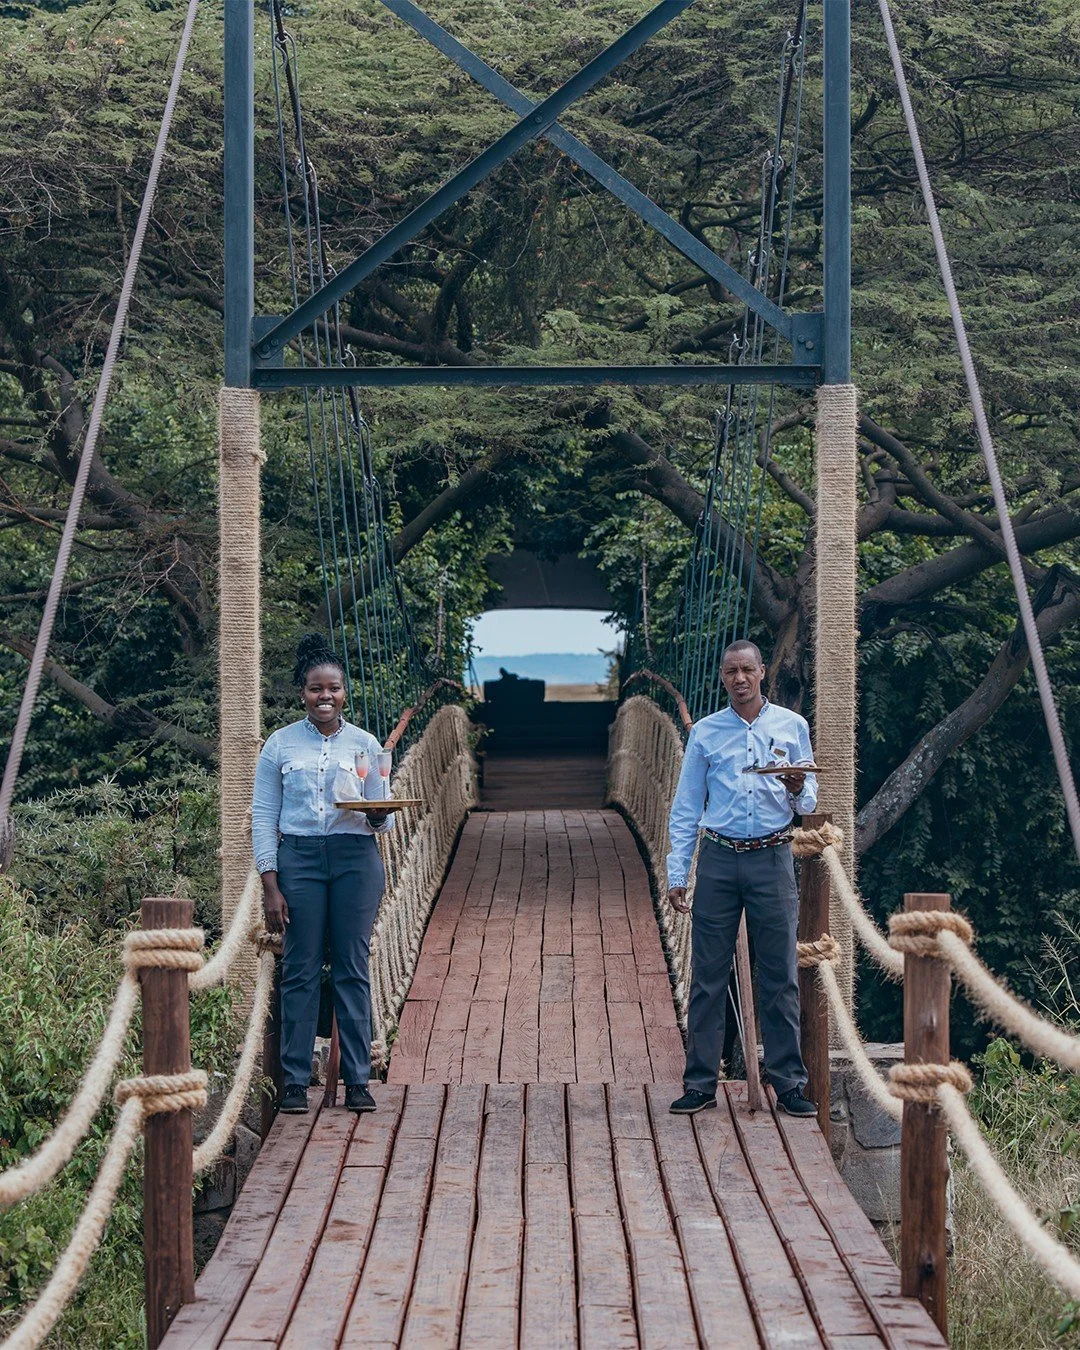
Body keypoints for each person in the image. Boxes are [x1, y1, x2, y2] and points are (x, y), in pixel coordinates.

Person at [666, 639, 819, 1118]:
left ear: (761, 674)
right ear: (722, 677)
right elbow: (687, 807)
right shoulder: (706, 734)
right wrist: (678, 873)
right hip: (719, 858)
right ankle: (700, 1084)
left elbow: (809, 802)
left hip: (772, 857)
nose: (739, 678)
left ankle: (788, 1084)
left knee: (779, 973)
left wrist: (797, 785)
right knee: (709, 973)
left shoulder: (791, 726)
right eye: (730, 671)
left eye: (747, 670)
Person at [251, 633, 394, 1115]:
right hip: (301, 860)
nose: (325, 696)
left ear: (344, 691)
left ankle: (357, 1080)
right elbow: (263, 815)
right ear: (303, 693)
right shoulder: (280, 744)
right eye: (316, 689)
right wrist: (270, 884)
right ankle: (294, 1082)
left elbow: (383, 815)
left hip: (355, 857)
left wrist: (376, 815)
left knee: (353, 966)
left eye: (333, 688)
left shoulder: (366, 744)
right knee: (300, 968)